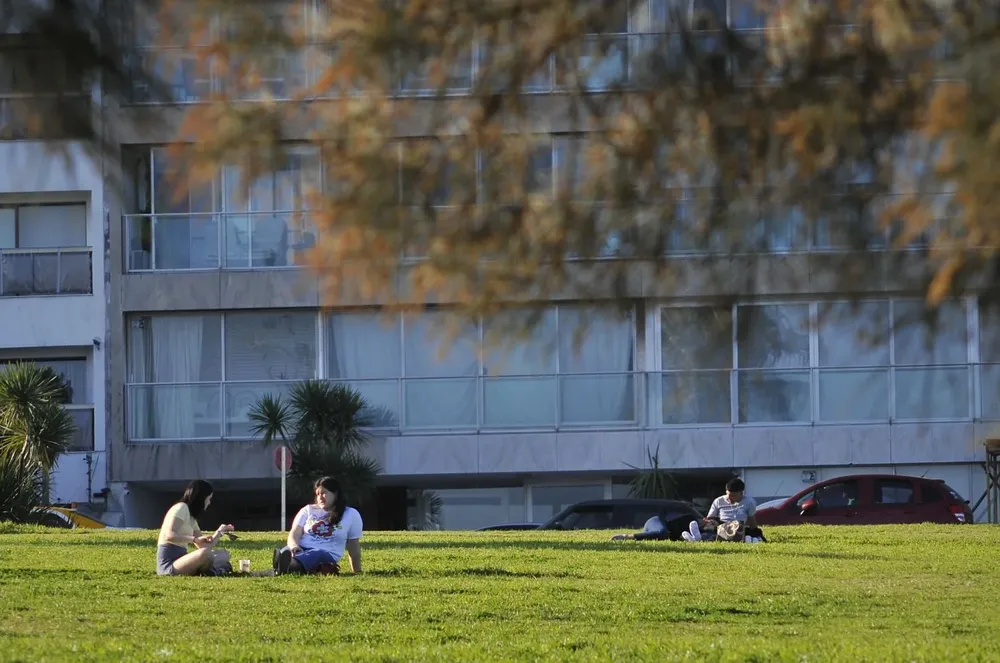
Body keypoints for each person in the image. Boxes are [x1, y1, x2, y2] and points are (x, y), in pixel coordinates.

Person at [272, 476, 363, 575]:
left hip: (326, 554)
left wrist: (357, 570)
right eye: (318, 494)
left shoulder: (351, 514)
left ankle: (285, 565)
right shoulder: (307, 510)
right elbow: (295, 532)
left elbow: (353, 545)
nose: (320, 497)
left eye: (324, 493)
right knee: (287, 550)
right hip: (301, 549)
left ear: (336, 494)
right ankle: (285, 565)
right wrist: (294, 546)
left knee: (316, 554)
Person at [156, 479, 235, 576]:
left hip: (182, 559)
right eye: (209, 498)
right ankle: (215, 570)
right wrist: (194, 539)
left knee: (224, 554)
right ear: (202, 498)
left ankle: (212, 570)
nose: (209, 503)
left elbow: (204, 546)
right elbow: (169, 535)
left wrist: (220, 531)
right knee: (207, 554)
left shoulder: (192, 518)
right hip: (169, 565)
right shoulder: (181, 507)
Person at [687, 478, 765, 543]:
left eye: (733, 496)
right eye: (728, 496)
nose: (730, 498)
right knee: (708, 528)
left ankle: (700, 538)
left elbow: (752, 520)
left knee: (749, 532)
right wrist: (709, 521)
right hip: (721, 525)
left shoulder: (749, 502)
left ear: (741, 493)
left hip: (739, 527)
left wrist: (756, 531)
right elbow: (710, 517)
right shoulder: (719, 501)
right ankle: (697, 536)